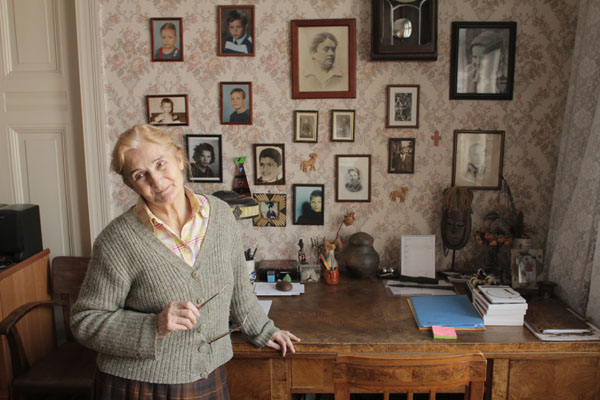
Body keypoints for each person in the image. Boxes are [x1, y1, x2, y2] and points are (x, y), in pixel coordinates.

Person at [71, 124, 299, 399]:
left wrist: (264, 330)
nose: (157, 181)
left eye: (160, 164)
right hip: (138, 385)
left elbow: (239, 291)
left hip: (207, 376)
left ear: (179, 159)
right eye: (140, 175)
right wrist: (155, 325)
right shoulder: (117, 240)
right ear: (131, 184)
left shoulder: (221, 215)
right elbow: (86, 321)